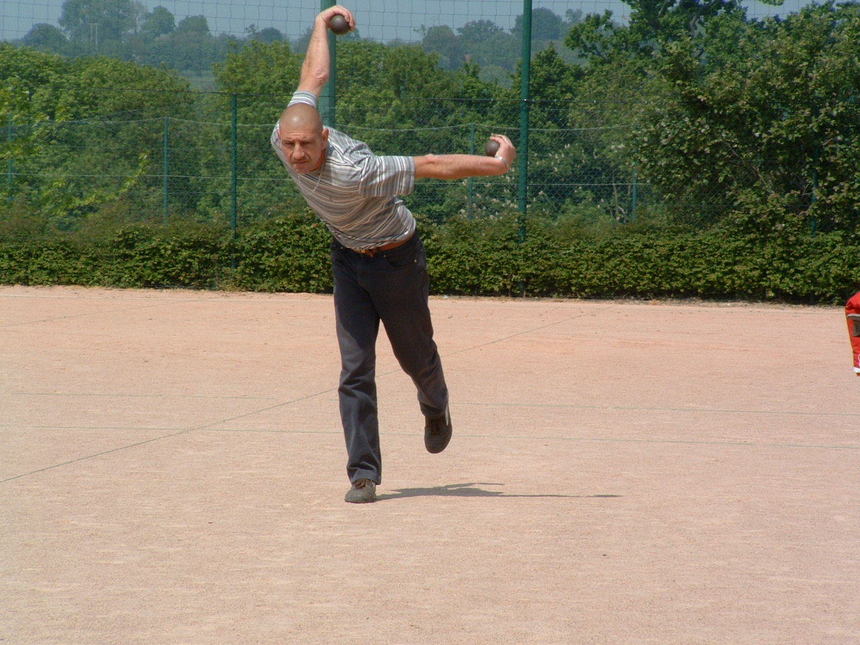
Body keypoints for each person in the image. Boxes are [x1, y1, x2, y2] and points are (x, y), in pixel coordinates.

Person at [271, 5, 516, 503]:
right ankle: (363, 474)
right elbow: (313, 75)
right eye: (291, 144)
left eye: (305, 145)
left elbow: (433, 165)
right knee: (354, 366)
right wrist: (321, 24)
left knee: (414, 357)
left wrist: (498, 167)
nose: (296, 155)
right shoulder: (282, 136)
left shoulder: (359, 170)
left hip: (398, 258)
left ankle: (435, 401)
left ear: (325, 137)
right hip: (349, 259)